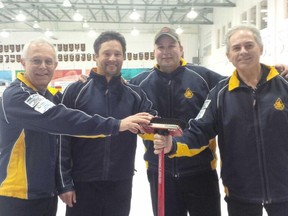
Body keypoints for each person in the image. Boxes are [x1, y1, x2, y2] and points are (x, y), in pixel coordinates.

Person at [0, 38, 153, 216]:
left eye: (48, 61)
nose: (43, 66)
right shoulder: (17, 96)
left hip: (46, 192)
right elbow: (63, 119)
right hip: (17, 195)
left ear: (55, 65)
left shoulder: (50, 97)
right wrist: (117, 124)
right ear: (23, 63)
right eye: (36, 60)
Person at [154, 24, 288, 216]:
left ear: (261, 48)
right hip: (241, 192)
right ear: (228, 56)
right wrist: (173, 144)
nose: (243, 51)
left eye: (249, 45)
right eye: (236, 48)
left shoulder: (284, 85)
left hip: (284, 189)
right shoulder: (219, 94)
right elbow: (199, 129)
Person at [57, 31, 157, 216]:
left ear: (123, 57)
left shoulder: (134, 94)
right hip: (82, 181)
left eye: (117, 54)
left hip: (120, 182)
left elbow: (152, 120)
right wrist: (64, 182)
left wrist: (167, 131)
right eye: (106, 53)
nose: (112, 58)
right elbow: (62, 138)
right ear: (96, 56)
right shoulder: (76, 91)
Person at [129, 26, 223, 216]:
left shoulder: (204, 77)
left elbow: (241, 85)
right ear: (154, 51)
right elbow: (114, 94)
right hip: (160, 171)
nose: (166, 51)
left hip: (200, 171)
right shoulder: (139, 83)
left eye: (171, 45)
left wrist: (277, 73)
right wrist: (89, 80)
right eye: (161, 47)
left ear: (181, 50)